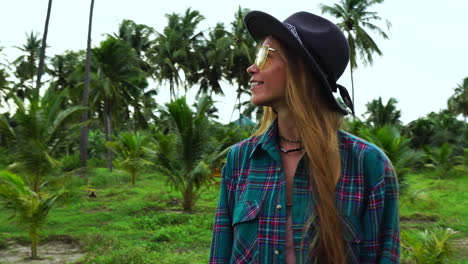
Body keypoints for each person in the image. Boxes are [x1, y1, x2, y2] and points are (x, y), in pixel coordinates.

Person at [209, 10, 400, 264]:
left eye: (265, 55)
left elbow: (383, 256)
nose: (252, 67)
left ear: (302, 70)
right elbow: (220, 255)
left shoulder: (369, 166)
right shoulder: (240, 160)